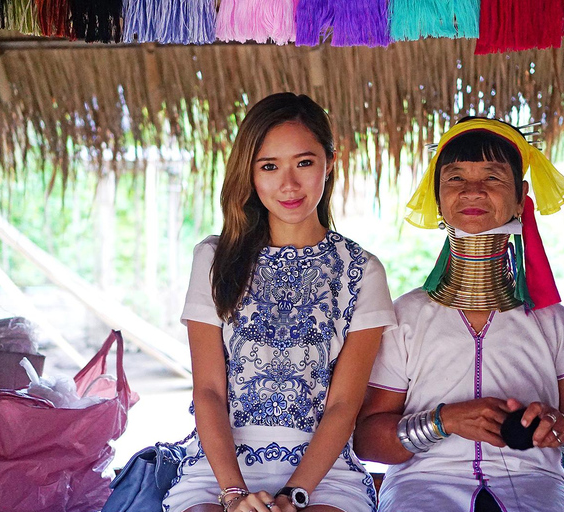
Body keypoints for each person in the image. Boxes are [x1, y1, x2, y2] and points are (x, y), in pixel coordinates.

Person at [354, 118, 564, 512]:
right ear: (437, 197)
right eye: (455, 178)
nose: (472, 190)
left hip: (535, 486)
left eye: (493, 177)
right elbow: (369, 439)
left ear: (520, 196)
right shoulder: (406, 317)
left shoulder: (552, 321)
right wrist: (444, 421)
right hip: (422, 486)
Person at [164, 93, 396, 512]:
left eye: (304, 163)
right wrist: (234, 496)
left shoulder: (362, 270)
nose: (288, 184)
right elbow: (210, 391)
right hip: (219, 469)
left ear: (330, 162)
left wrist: (295, 494)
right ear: (250, 175)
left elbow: (344, 406)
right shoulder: (215, 259)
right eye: (269, 167)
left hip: (324, 472)